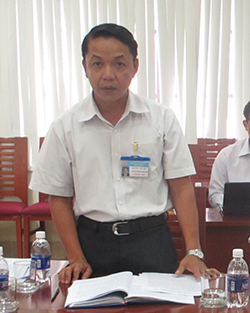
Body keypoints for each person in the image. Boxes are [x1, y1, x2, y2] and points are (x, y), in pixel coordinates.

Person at [30, 23, 214, 284]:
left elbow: (181, 187)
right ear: (85, 67)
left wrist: (193, 251)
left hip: (151, 240)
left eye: (119, 64)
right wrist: (76, 257)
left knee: (160, 310)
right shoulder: (65, 127)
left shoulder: (161, 118)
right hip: (93, 243)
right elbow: (59, 197)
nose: (108, 75)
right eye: (97, 64)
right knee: (91, 310)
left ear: (134, 67)